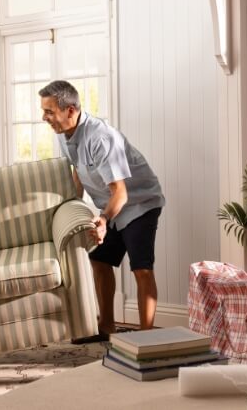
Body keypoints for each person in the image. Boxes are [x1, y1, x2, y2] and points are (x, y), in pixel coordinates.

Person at [39, 80, 165, 340]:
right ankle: (106, 326)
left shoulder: (101, 137)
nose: (44, 117)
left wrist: (104, 218)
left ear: (70, 110)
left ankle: (147, 339)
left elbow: (121, 192)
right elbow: (78, 172)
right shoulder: (65, 134)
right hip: (111, 205)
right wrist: (71, 206)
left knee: (141, 268)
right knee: (100, 260)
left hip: (139, 203)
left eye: (49, 111)